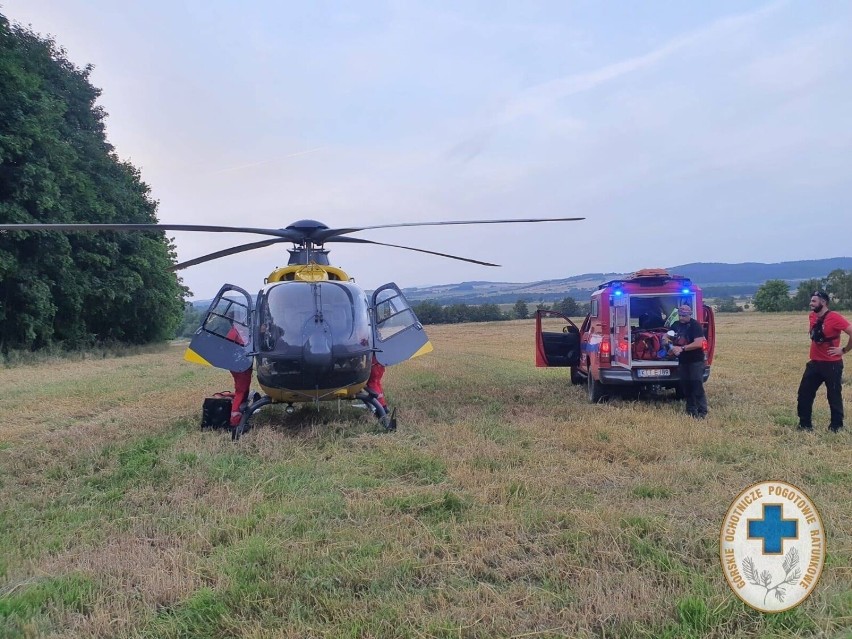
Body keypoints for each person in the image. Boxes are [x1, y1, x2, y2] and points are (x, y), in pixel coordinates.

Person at [797, 290, 852, 433]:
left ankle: (836, 426)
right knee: (804, 393)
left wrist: (844, 350)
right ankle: (804, 425)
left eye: (814, 301)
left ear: (823, 302)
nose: (810, 304)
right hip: (815, 363)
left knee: (833, 395)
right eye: (811, 301)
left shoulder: (835, 317)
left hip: (832, 364)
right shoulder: (812, 316)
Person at [670, 304, 708, 418]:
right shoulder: (675, 325)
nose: (682, 318)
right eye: (680, 315)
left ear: (690, 314)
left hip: (695, 360)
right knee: (686, 386)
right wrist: (671, 347)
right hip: (683, 361)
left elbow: (698, 343)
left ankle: (702, 411)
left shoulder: (695, 326)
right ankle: (691, 410)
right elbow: (667, 336)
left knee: (696, 385)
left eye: (684, 315)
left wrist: (681, 348)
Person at [226, 311, 253, 428]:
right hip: (240, 367)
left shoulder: (235, 332)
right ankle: (235, 421)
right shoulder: (235, 333)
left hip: (240, 366)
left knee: (244, 389)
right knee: (241, 391)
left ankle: (242, 412)